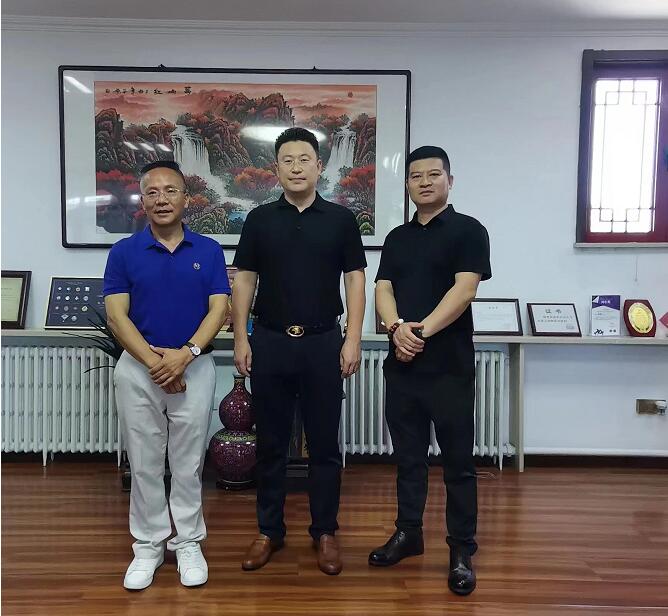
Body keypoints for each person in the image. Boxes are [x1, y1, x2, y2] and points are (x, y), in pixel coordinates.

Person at [232, 127, 366, 576]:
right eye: (287, 160)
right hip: (270, 341)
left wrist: (352, 338)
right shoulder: (259, 220)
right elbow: (245, 279)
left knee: (324, 445)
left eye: (304, 159)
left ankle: (325, 532)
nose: (295, 167)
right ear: (276, 168)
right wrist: (241, 336)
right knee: (270, 443)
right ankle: (269, 530)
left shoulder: (341, 220)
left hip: (323, 342)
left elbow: (355, 280)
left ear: (319, 166)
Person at [369, 146, 491, 595]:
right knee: (408, 459)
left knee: (458, 463)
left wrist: (418, 333)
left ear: (449, 181)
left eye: (433, 174)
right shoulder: (397, 237)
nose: (424, 182)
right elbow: (383, 288)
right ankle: (409, 534)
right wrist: (395, 328)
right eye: (416, 176)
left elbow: (465, 290)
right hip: (403, 367)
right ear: (407, 184)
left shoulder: (469, 230)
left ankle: (461, 549)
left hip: (449, 367)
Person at [104, 160, 230, 590]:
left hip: (194, 366)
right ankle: (149, 545)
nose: (161, 199)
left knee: (188, 463)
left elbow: (219, 309)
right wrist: (158, 364)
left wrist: (186, 355)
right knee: (143, 462)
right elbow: (117, 317)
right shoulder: (123, 252)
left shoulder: (208, 250)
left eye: (170, 190)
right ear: (142, 200)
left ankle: (188, 541)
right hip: (138, 369)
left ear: (186, 198)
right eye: (152, 192)